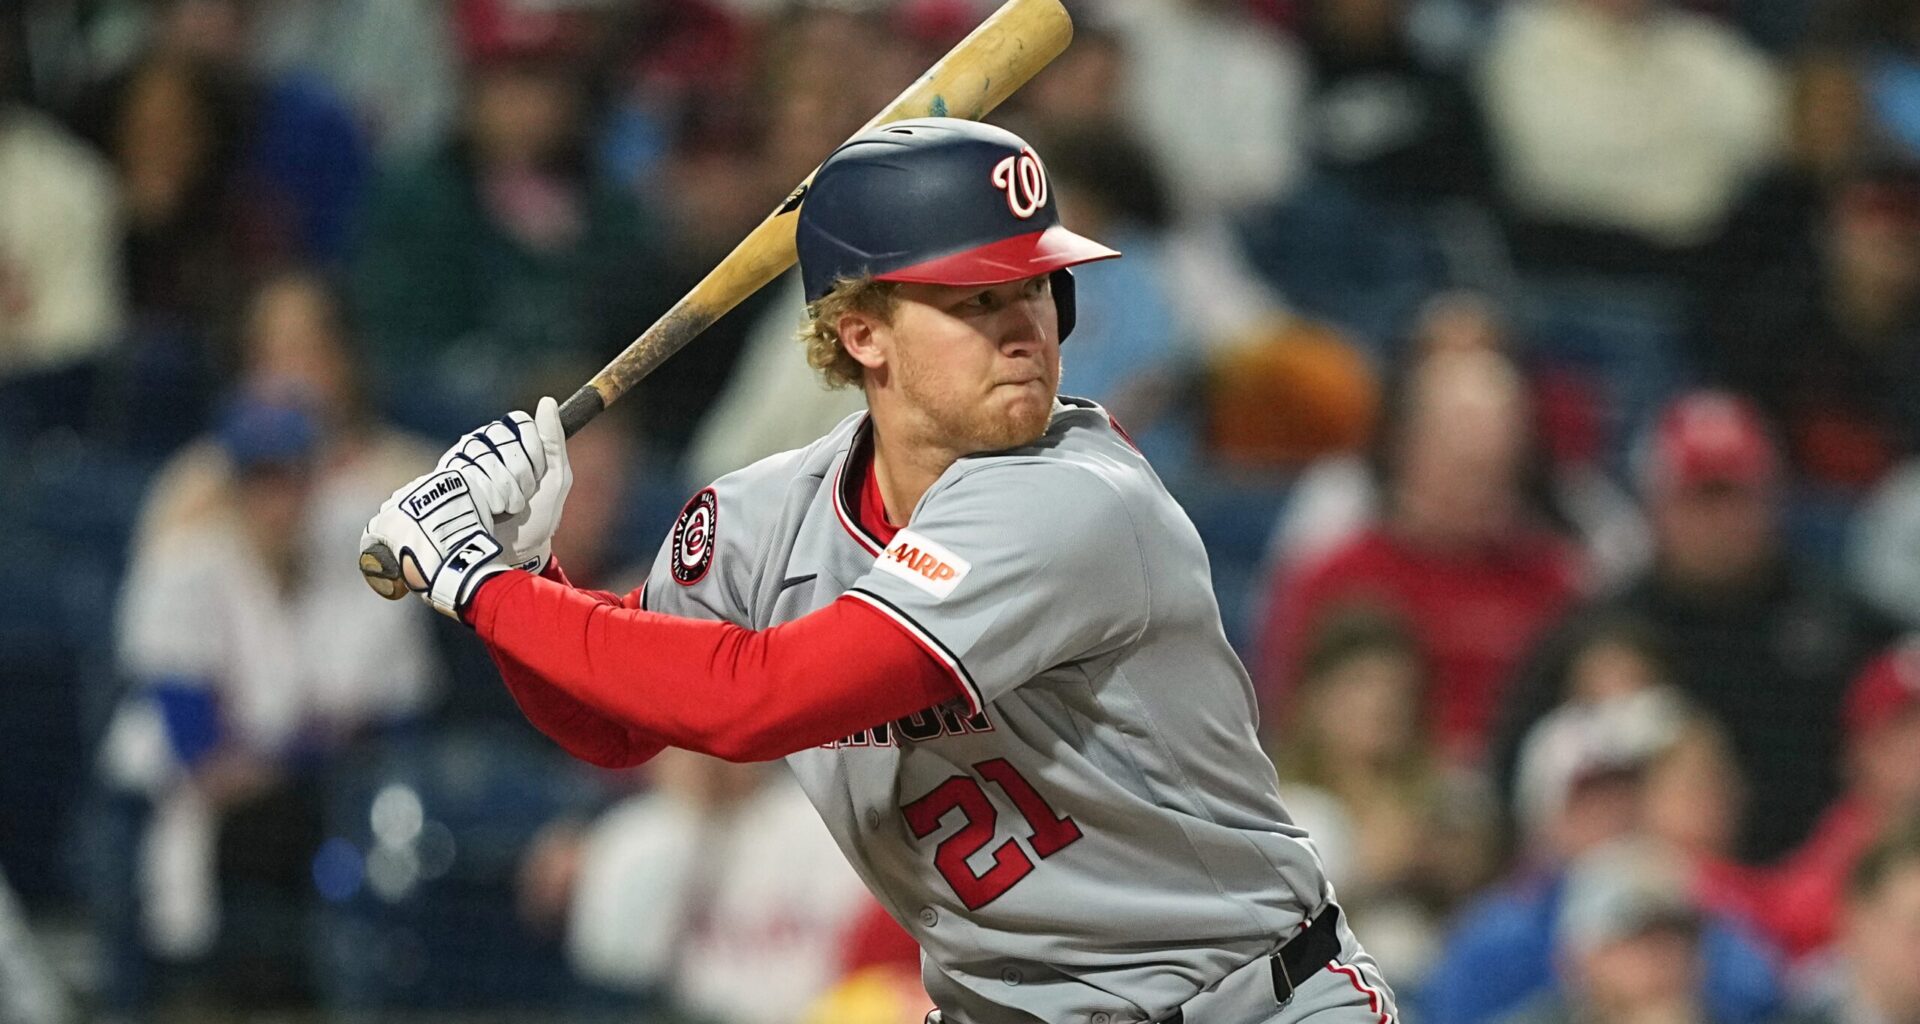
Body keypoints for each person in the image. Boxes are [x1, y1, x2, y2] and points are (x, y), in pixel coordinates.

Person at [363, 118, 1397, 1024]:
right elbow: (614, 726)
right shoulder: (767, 517)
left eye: (1037, 285)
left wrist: (484, 587)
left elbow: (756, 702)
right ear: (862, 332)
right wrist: (532, 574)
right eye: (975, 297)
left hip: (1247, 1001)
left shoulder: (1077, 500)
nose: (1025, 327)